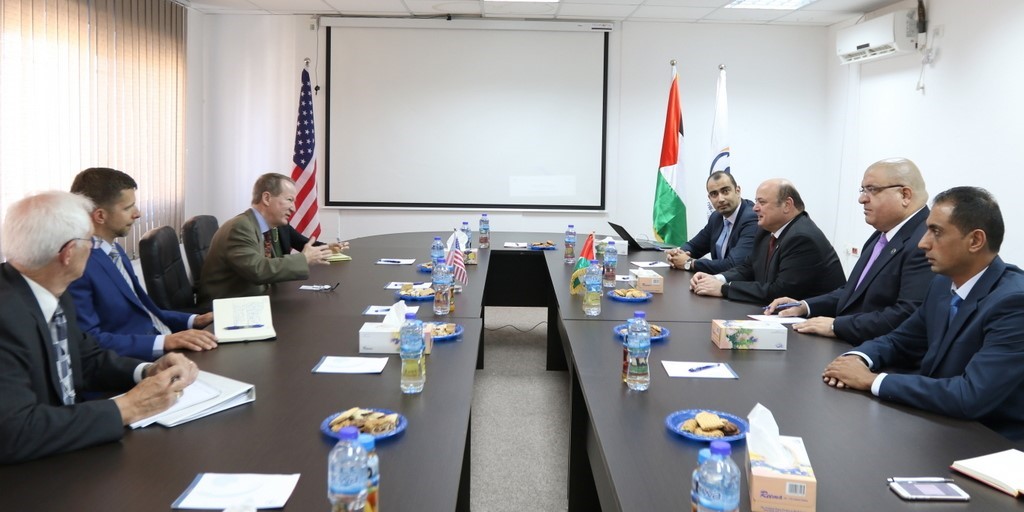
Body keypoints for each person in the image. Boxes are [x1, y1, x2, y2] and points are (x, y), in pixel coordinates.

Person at [0, 191, 199, 464]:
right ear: (69, 253)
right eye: (90, 240)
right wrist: (126, 407)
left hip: (70, 443)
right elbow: (15, 431)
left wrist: (148, 370)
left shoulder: (51, 289)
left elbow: (86, 358)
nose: (93, 248)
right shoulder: (6, 317)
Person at [822, 187, 1024, 440]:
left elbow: (971, 395)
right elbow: (900, 340)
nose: (922, 243)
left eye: (936, 232)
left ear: (975, 241)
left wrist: (871, 380)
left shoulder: (1014, 303)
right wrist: (858, 359)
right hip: (939, 421)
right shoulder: (942, 284)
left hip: (990, 441)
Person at [766, 158, 933, 344]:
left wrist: (836, 326)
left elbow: (908, 315)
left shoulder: (925, 242)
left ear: (905, 195)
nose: (862, 199)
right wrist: (804, 306)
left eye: (872, 189)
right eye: (863, 190)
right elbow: (852, 292)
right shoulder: (880, 236)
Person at [67, 168, 218, 361]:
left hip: (165, 343)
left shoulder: (114, 250)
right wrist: (164, 342)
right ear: (100, 216)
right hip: (141, 360)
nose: (137, 213)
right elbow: (91, 342)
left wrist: (194, 320)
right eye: (128, 208)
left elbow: (144, 311)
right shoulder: (78, 266)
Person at [689, 178, 845, 304]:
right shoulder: (766, 230)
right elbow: (748, 267)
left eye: (762, 202)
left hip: (813, 323)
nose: (755, 208)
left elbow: (779, 292)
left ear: (787, 205)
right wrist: (716, 279)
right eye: (756, 202)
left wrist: (724, 289)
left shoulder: (802, 238)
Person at [197, 173, 339, 305]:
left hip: (253, 298)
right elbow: (258, 270)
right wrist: (304, 259)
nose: (294, 208)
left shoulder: (262, 227)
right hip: (226, 307)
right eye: (289, 200)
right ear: (266, 198)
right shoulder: (240, 227)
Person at [666, 171, 757, 273]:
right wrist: (677, 254)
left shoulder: (751, 218)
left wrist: (689, 263)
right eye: (714, 194)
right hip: (715, 280)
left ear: (737, 191)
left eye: (725, 191)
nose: (720, 199)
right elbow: (694, 246)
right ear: (709, 197)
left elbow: (734, 264)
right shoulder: (716, 217)